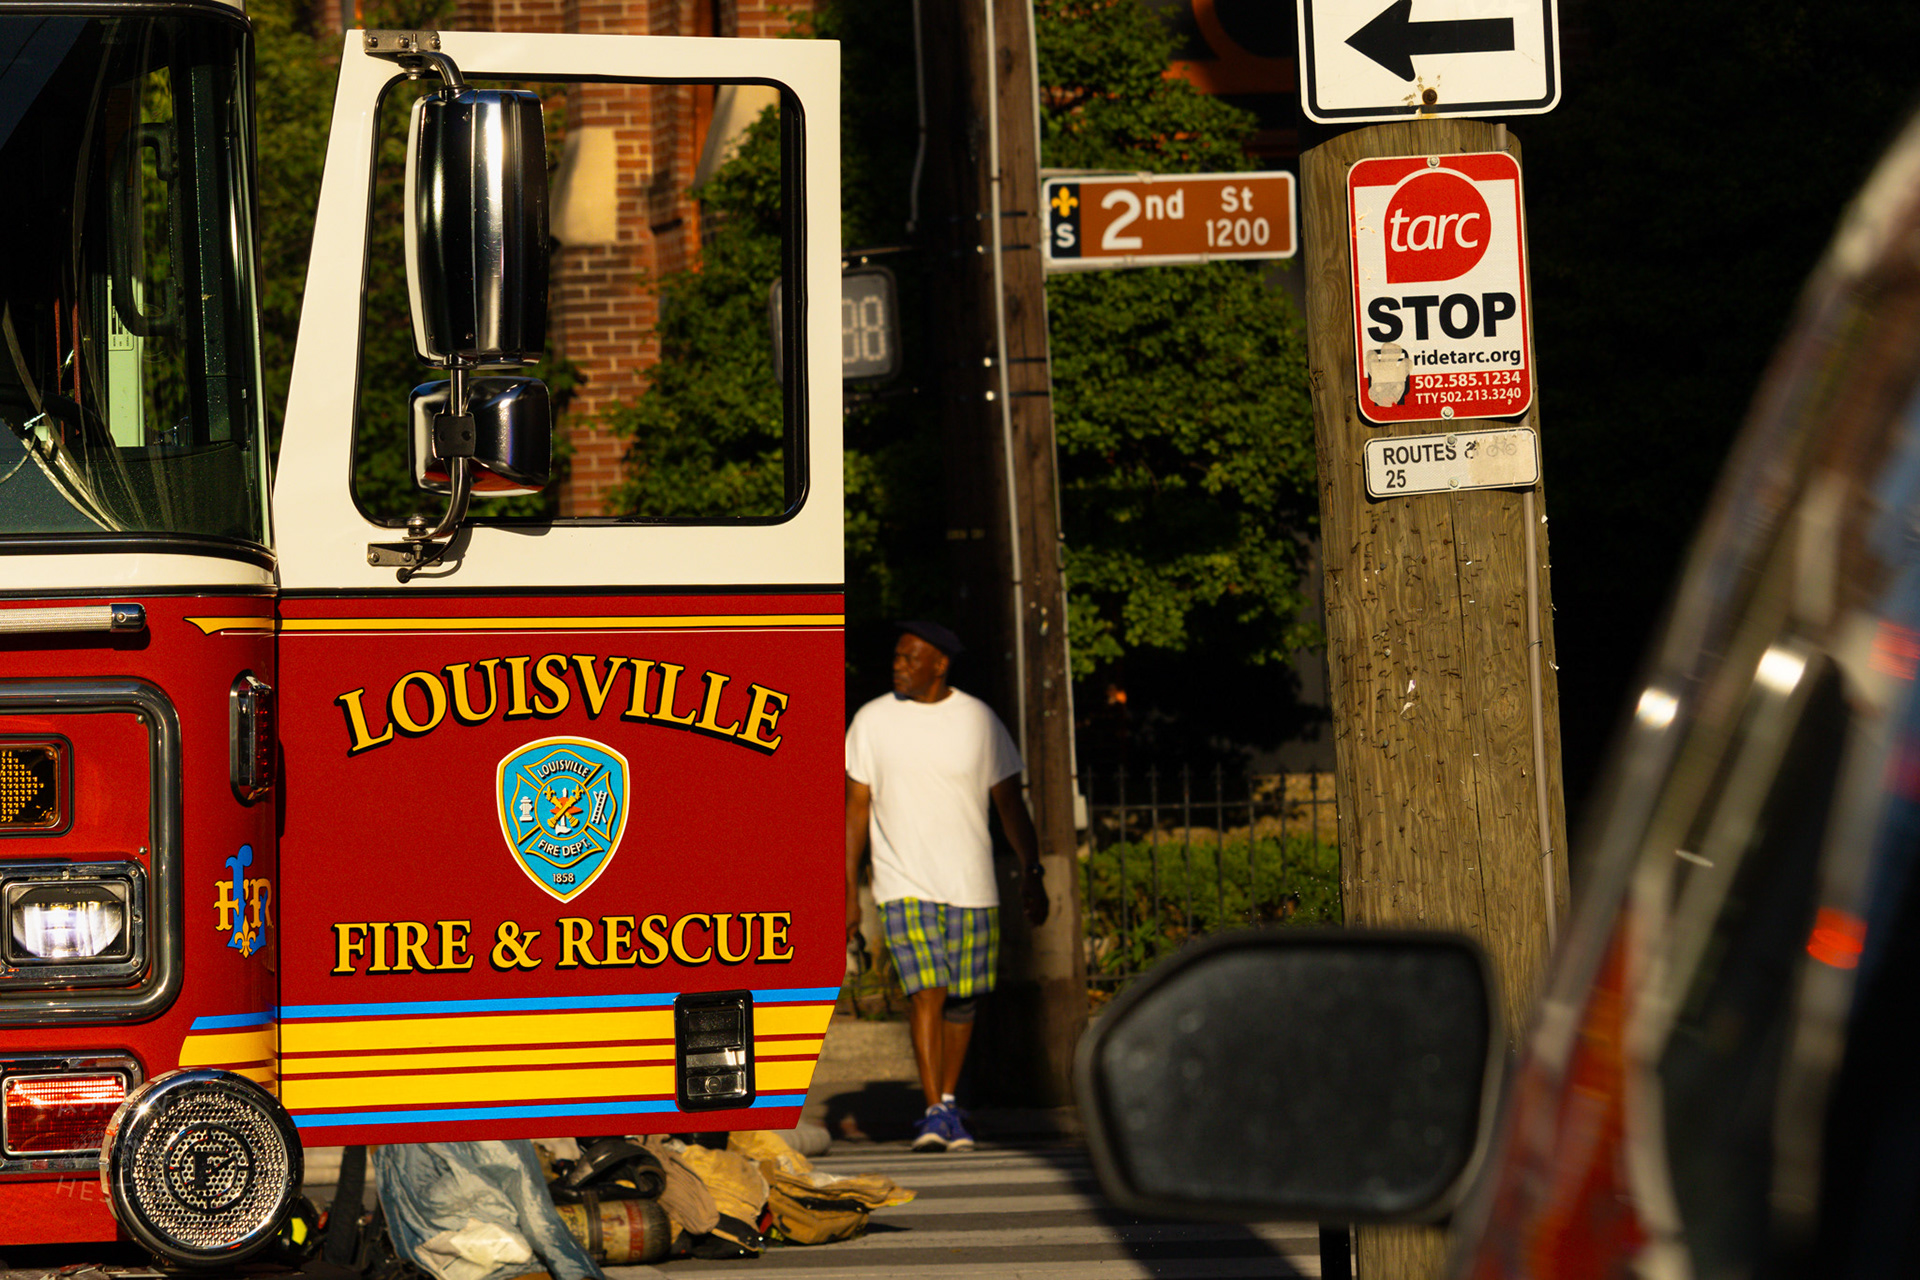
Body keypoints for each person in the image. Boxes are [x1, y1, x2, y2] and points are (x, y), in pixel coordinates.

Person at [844, 621, 1049, 1152]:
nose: (899, 666)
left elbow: (1010, 805)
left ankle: (950, 1104)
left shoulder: (978, 720)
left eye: (911, 658)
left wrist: (1032, 871)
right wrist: (847, 888)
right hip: (901, 881)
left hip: (971, 883)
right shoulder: (872, 720)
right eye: (896, 657)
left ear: (940, 664)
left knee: (963, 1000)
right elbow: (855, 813)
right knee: (927, 989)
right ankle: (933, 1110)